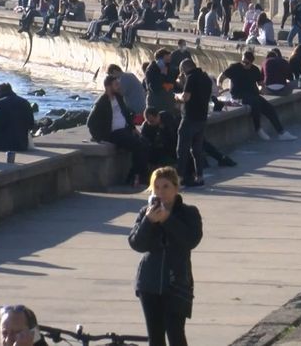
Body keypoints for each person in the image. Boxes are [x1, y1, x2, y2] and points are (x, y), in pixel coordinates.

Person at [129, 166, 202, 346]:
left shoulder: (189, 213)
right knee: (155, 338)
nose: (161, 192)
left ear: (176, 188)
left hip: (176, 282)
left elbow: (190, 240)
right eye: (157, 187)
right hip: (149, 282)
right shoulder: (145, 212)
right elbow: (136, 243)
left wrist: (167, 220)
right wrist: (148, 221)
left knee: (176, 333)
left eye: (166, 186)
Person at [218, 51, 297, 141]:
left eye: (247, 63)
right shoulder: (235, 67)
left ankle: (281, 132)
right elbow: (221, 76)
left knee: (269, 108)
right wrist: (219, 84)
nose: (244, 64)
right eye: (243, 61)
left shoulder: (254, 70)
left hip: (252, 94)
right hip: (238, 95)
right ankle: (258, 128)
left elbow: (260, 83)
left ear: (251, 63)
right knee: (255, 102)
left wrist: (263, 88)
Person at [86, 76, 149, 185]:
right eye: (116, 85)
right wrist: (99, 138)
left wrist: (133, 128)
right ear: (108, 87)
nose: (119, 86)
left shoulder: (119, 97)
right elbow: (90, 122)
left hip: (125, 130)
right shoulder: (102, 102)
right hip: (114, 134)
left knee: (145, 142)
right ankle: (135, 176)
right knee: (138, 146)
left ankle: (137, 174)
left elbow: (125, 114)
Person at [174, 59, 212, 187]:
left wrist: (176, 96)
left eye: (182, 71)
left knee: (182, 149)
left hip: (189, 118)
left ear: (184, 69)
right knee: (197, 150)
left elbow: (186, 97)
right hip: (202, 118)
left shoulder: (191, 77)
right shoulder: (205, 77)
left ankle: (178, 178)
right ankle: (199, 177)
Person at [0, 83, 34, 152]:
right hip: (21, 145)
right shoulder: (25, 102)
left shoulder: (0, 103)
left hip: (0, 145)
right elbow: (31, 125)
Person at [145, 48, 177, 113]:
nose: (169, 58)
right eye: (167, 57)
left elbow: (171, 82)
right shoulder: (152, 69)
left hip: (167, 102)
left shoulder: (168, 67)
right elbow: (154, 87)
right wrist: (162, 75)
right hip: (156, 103)